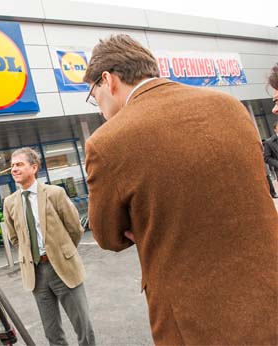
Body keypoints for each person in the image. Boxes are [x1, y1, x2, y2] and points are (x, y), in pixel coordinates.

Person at [83, 34, 278, 344]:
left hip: (195, 323)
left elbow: (108, 236)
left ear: (108, 80)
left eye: (94, 96)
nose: (99, 108)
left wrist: (149, 222)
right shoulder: (230, 106)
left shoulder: (106, 143)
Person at [3, 147, 95, 346]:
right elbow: (14, 238)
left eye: (19, 164)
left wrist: (63, 252)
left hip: (63, 268)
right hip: (36, 274)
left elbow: (75, 229)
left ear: (34, 167)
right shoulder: (9, 202)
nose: (14, 169)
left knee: (83, 325)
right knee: (52, 332)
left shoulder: (55, 193)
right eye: (12, 166)